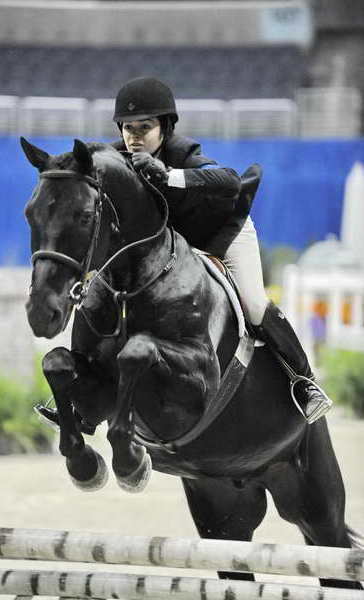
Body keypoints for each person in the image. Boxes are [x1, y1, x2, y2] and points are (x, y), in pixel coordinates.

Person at [37, 76, 332, 429]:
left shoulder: (184, 155)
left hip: (221, 234)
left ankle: (304, 381)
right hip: (170, 246)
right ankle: (82, 395)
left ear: (166, 127)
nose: (134, 136)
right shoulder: (117, 159)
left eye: (145, 127)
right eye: (128, 127)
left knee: (254, 304)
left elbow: (230, 182)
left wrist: (171, 176)